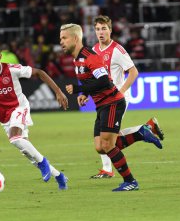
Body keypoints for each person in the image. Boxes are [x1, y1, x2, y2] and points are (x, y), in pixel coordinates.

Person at [60, 24, 163, 191]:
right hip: (102, 105)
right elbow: (91, 81)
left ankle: (130, 181)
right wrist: (85, 93)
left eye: (64, 38)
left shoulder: (89, 56)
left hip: (112, 102)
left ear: (76, 38)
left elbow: (103, 81)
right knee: (100, 147)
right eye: (60, 39)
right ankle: (140, 133)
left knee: (108, 145)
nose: (61, 42)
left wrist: (79, 89)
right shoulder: (77, 59)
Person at [0, 39, 69, 189]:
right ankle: (60, 177)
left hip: (19, 107)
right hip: (4, 117)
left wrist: (58, 92)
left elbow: (39, 73)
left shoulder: (12, 69)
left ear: (0, 56)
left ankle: (43, 163)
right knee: (28, 152)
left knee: (16, 138)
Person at [89, 15, 165, 179]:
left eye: (104, 28)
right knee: (106, 138)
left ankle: (108, 169)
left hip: (116, 100)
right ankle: (144, 129)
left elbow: (133, 72)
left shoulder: (117, 50)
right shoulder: (94, 50)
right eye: (97, 29)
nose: (100, 32)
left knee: (107, 137)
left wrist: (121, 91)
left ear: (110, 30)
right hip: (103, 99)